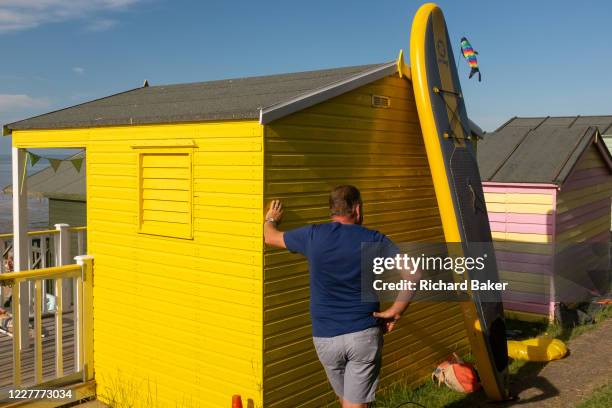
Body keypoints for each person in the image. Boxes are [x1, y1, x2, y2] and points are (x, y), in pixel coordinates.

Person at [263, 185, 411, 408]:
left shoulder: (312, 235)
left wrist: (271, 219)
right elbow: (413, 272)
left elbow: (270, 237)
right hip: (362, 334)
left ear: (331, 211)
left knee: (349, 402)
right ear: (358, 209)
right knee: (354, 405)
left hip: (325, 338)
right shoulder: (374, 238)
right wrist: (395, 311)